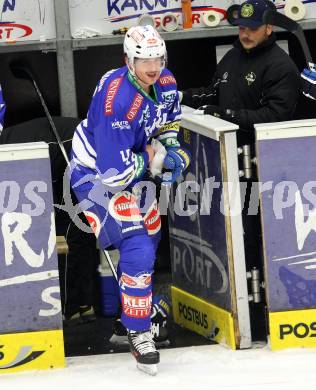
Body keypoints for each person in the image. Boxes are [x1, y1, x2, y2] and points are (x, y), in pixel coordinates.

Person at [69, 25, 190, 375]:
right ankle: (140, 333)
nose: (153, 66)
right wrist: (153, 157)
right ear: (128, 60)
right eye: (143, 59)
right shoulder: (116, 98)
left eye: (157, 58)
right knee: (137, 244)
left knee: (149, 236)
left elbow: (167, 122)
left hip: (131, 168)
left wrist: (172, 149)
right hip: (96, 177)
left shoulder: (164, 81)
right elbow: (114, 174)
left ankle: (126, 322)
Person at [181, 0, 302, 145]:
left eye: (253, 29)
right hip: (227, 149)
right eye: (242, 28)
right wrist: (182, 96)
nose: (246, 34)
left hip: (263, 155)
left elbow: (274, 117)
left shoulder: (281, 66)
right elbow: (214, 93)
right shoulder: (232, 55)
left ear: (268, 28)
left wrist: (225, 115)